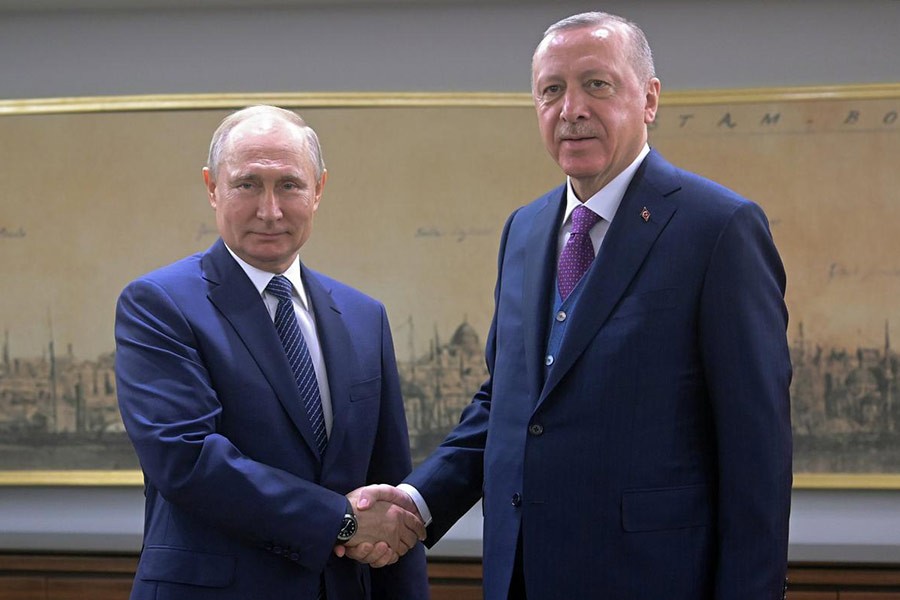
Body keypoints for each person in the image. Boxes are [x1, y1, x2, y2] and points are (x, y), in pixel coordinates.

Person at [351, 11, 793, 600]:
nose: (572, 109)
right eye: (551, 90)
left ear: (650, 98)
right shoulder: (526, 230)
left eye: (597, 84)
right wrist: (417, 500)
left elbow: (757, 450)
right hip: (519, 579)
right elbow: (508, 403)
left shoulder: (718, 229)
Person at [115, 105, 429, 600]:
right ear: (212, 187)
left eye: (289, 185)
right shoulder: (159, 303)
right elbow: (187, 460)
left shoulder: (365, 316)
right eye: (247, 184)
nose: (270, 210)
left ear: (319, 189)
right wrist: (342, 521)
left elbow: (388, 491)